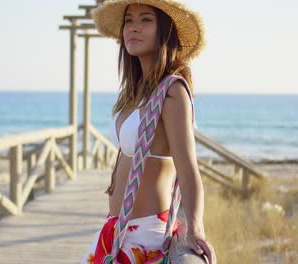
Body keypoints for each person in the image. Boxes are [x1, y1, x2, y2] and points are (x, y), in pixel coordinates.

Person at [80, 1, 216, 263]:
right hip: (114, 231)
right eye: (129, 21)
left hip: (145, 238)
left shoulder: (172, 91)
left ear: (164, 31)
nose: (133, 28)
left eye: (145, 20)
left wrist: (195, 228)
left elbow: (188, 170)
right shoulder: (134, 91)